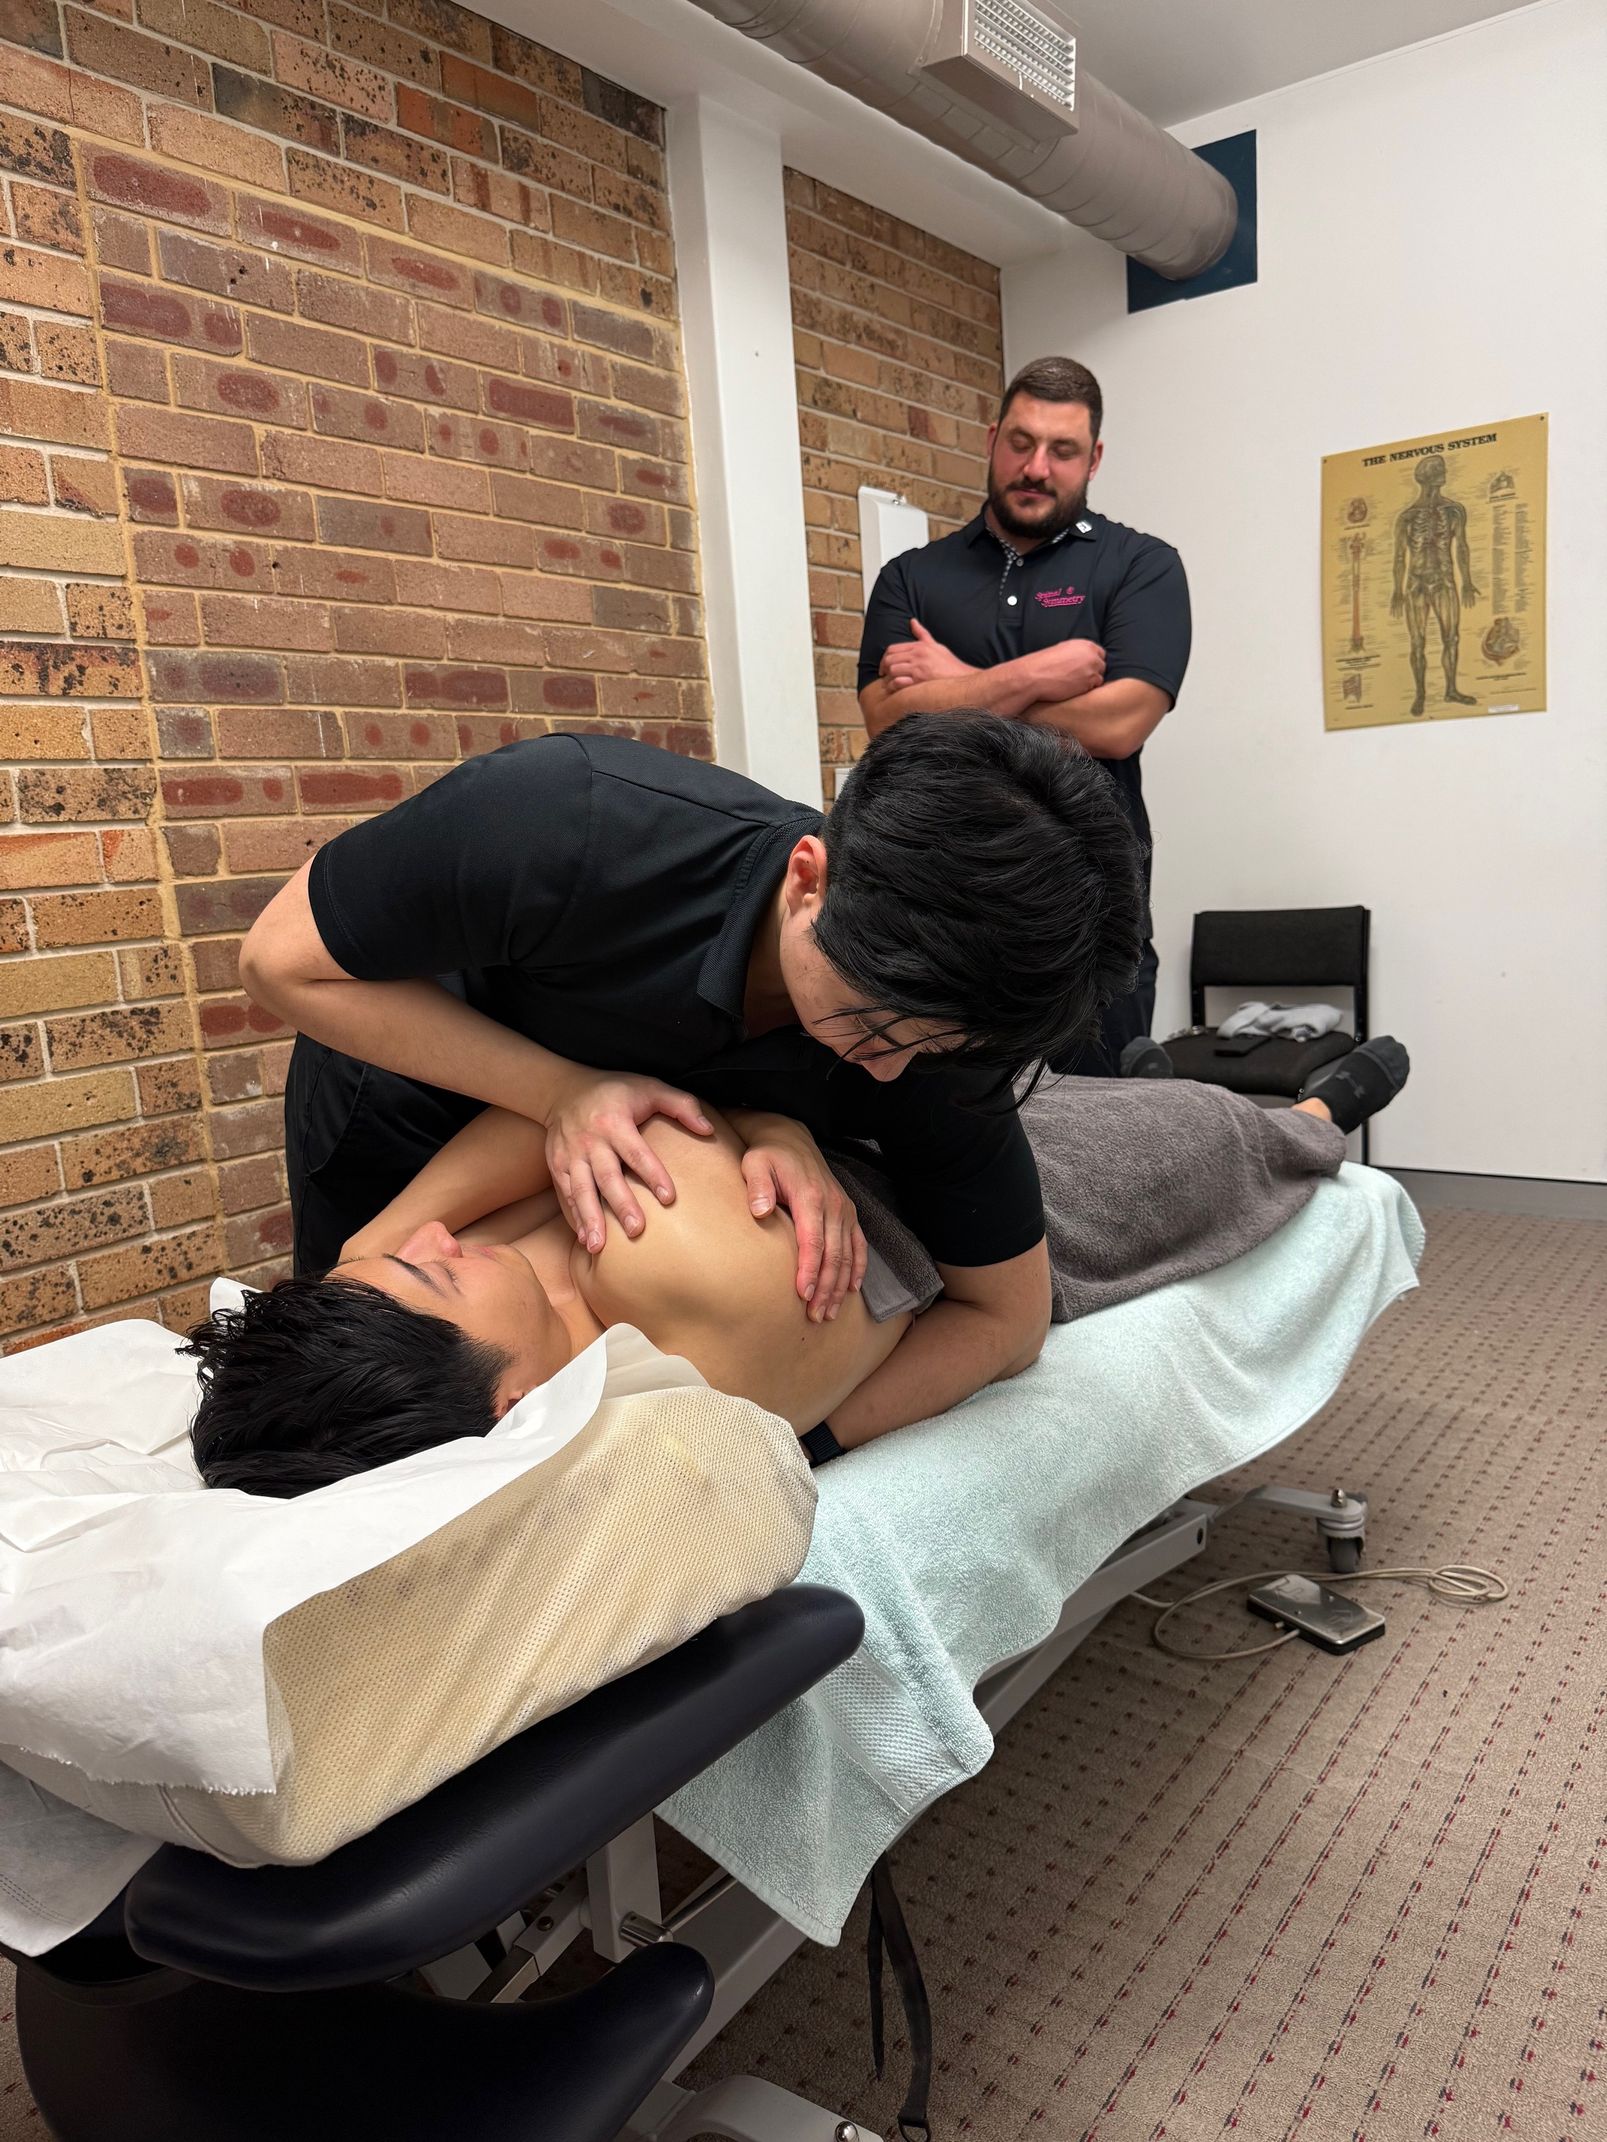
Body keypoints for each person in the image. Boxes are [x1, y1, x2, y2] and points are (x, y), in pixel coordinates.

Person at [240, 715, 1147, 1451]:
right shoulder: (573, 821)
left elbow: (1007, 1319)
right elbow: (279, 963)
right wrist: (559, 1095)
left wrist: (791, 1444)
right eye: (868, 1025)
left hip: (604, 1191)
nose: (886, 1069)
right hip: (417, 1090)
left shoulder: (942, 1044)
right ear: (807, 880)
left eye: (929, 1048)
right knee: (348, 1427)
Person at [185, 1038, 1410, 1497]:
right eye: (437, 1273)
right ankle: (1314, 1106)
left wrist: (363, 1252)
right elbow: (633, 1105)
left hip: (845, 1119)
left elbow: (584, 1105)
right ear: (506, 1407)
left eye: (414, 1252)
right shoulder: (677, 1278)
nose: (435, 1241)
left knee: (1082, 1082)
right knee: (1209, 1138)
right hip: (956, 1212)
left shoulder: (488, 1321)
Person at [856, 355, 1190, 1075]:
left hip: (1091, 921)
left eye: (1061, 450)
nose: (1035, 467)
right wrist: (1035, 673)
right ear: (991, 439)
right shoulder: (912, 578)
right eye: (1019, 442)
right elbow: (888, 725)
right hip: (934, 917)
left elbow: (1119, 723)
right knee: (954, 1150)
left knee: (1099, 1143)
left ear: (1092, 458)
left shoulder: (1140, 567)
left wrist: (954, 684)